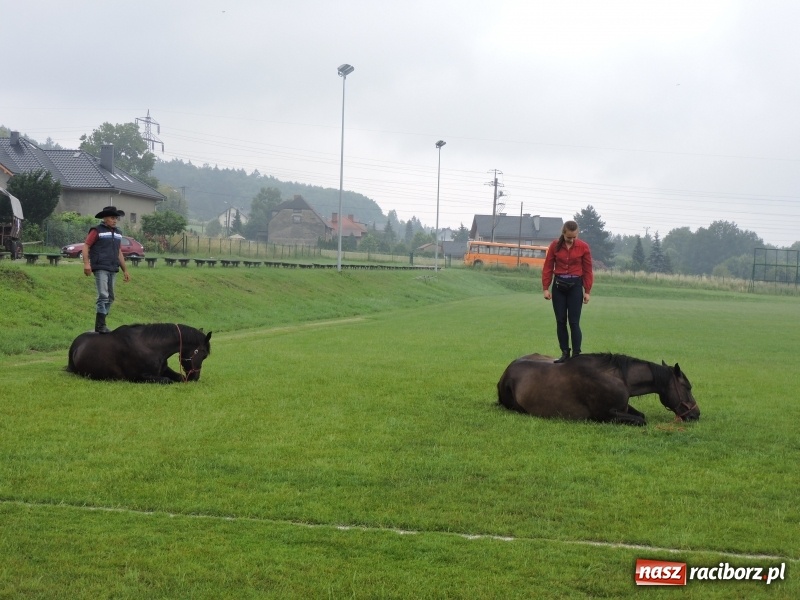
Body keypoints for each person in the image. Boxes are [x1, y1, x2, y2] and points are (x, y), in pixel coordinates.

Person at [542, 220, 593, 363]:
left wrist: (587, 290)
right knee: (560, 321)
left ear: (577, 234)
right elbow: (548, 267)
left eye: (574, 237)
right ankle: (565, 353)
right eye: (569, 237)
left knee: (574, 322)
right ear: (563, 233)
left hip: (575, 287)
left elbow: (588, 270)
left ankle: (576, 355)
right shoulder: (554, 246)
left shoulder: (584, 247)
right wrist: (546, 288)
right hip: (559, 287)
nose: (571, 240)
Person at [83, 206, 131, 333]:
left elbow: (119, 252)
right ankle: (100, 326)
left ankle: (102, 322)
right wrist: (86, 264)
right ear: (105, 218)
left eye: (116, 218)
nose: (115, 220)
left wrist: (125, 270)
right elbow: (86, 246)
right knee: (103, 295)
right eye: (112, 218)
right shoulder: (96, 230)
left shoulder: (118, 233)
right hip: (100, 267)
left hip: (113, 267)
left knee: (110, 298)